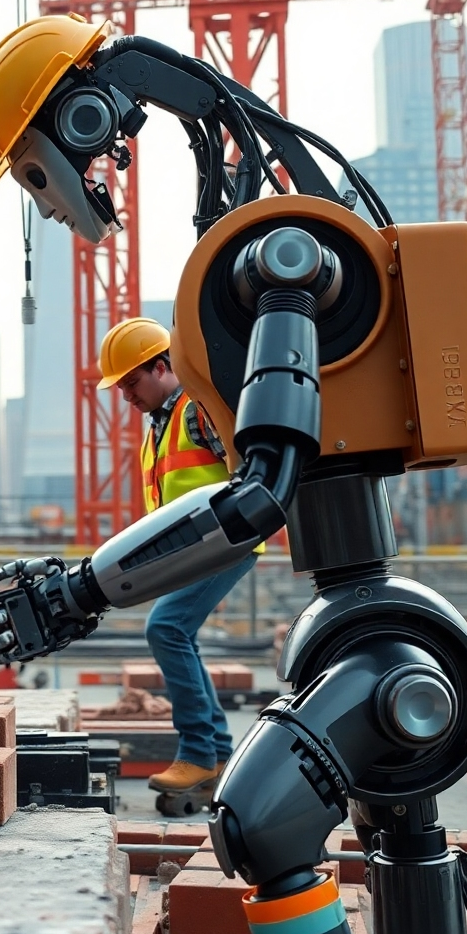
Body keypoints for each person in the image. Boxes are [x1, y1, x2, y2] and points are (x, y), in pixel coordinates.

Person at [98, 316, 261, 797]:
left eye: (131, 383)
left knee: (165, 629)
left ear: (163, 366)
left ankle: (197, 753)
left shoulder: (197, 409)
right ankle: (219, 753)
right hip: (190, 550)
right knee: (178, 635)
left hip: (222, 542)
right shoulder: (161, 424)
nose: (127, 397)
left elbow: (244, 472)